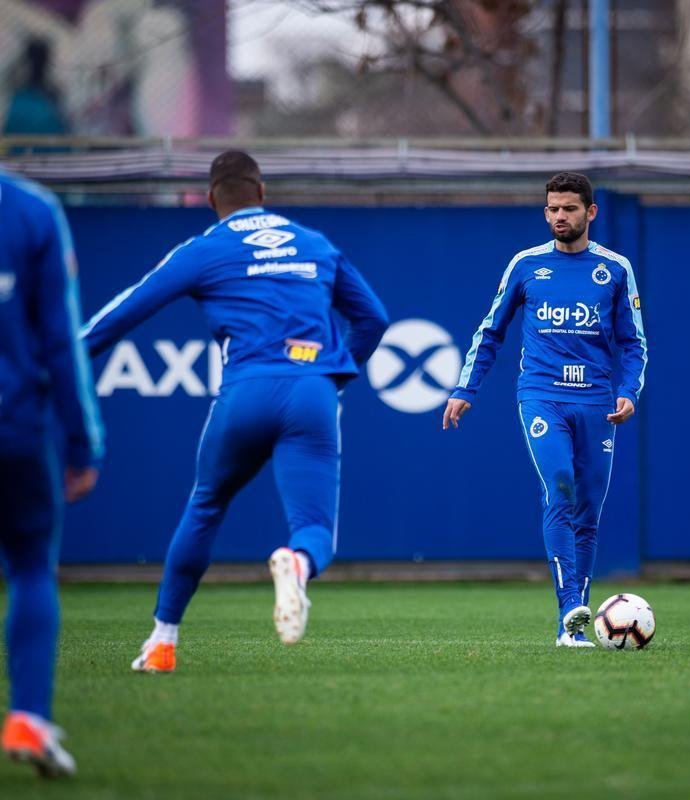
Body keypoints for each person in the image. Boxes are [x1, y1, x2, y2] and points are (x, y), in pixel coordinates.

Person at [80, 151, 388, 672]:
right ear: (263, 192)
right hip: (312, 391)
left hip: (246, 390)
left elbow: (124, 311)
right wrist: (332, 377)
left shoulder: (205, 249)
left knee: (206, 505)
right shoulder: (315, 244)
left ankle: (162, 642)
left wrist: (60, 360)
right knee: (313, 529)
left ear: (210, 200)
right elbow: (374, 319)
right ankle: (296, 563)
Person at [443, 171, 647, 648]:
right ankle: (568, 616)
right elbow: (490, 331)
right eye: (553, 208)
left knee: (589, 514)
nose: (560, 216)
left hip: (597, 402)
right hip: (541, 396)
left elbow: (633, 342)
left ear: (591, 212)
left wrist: (628, 391)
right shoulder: (526, 265)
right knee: (560, 490)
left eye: (570, 208)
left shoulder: (615, 269)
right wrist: (465, 388)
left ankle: (578, 616)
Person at [0, 169, 104, 778]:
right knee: (33, 567)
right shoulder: (31, 212)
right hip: (15, 430)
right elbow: (61, 340)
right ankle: (28, 718)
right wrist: (82, 443)